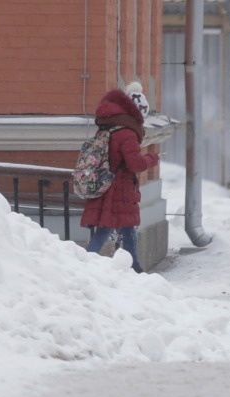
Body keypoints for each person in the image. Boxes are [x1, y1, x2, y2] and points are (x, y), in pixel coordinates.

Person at [80, 81, 159, 273]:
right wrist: (152, 158)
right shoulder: (127, 133)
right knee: (113, 227)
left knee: (122, 226)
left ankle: (135, 267)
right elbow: (135, 164)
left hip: (106, 183)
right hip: (119, 187)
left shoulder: (108, 126)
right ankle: (87, 263)